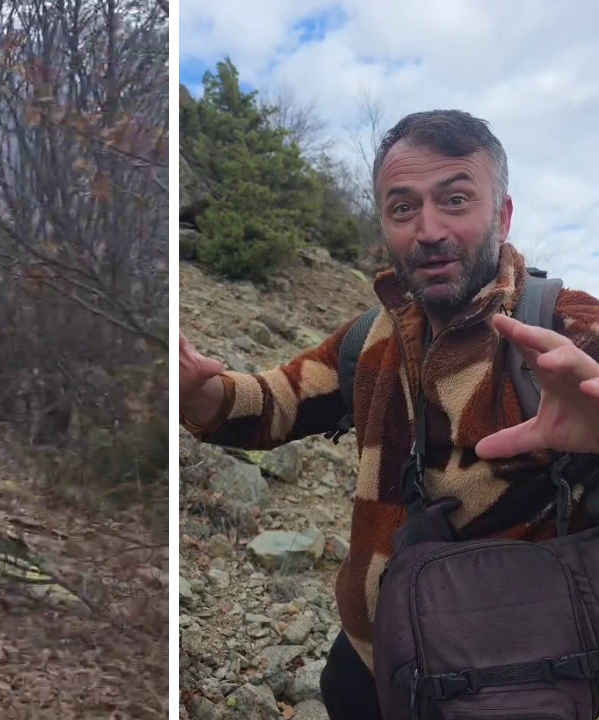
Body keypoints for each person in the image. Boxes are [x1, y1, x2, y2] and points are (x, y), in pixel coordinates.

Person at [180, 108, 599, 720]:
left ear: (502, 215)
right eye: (403, 208)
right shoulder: (370, 341)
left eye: (455, 200)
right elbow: (273, 402)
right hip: (382, 648)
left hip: (530, 663)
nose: (428, 230)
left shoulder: (563, 325)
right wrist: (199, 394)